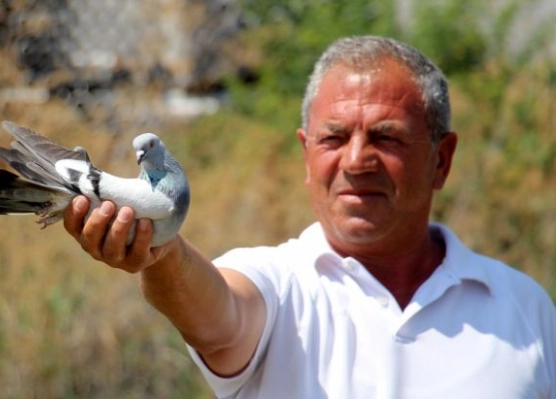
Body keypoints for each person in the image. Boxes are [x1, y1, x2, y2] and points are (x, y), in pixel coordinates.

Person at [62, 36, 556, 398]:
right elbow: (219, 320)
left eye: (386, 138)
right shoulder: (280, 285)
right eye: (333, 138)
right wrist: (160, 250)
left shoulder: (525, 309)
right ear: (306, 154)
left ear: (441, 160)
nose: (356, 160)